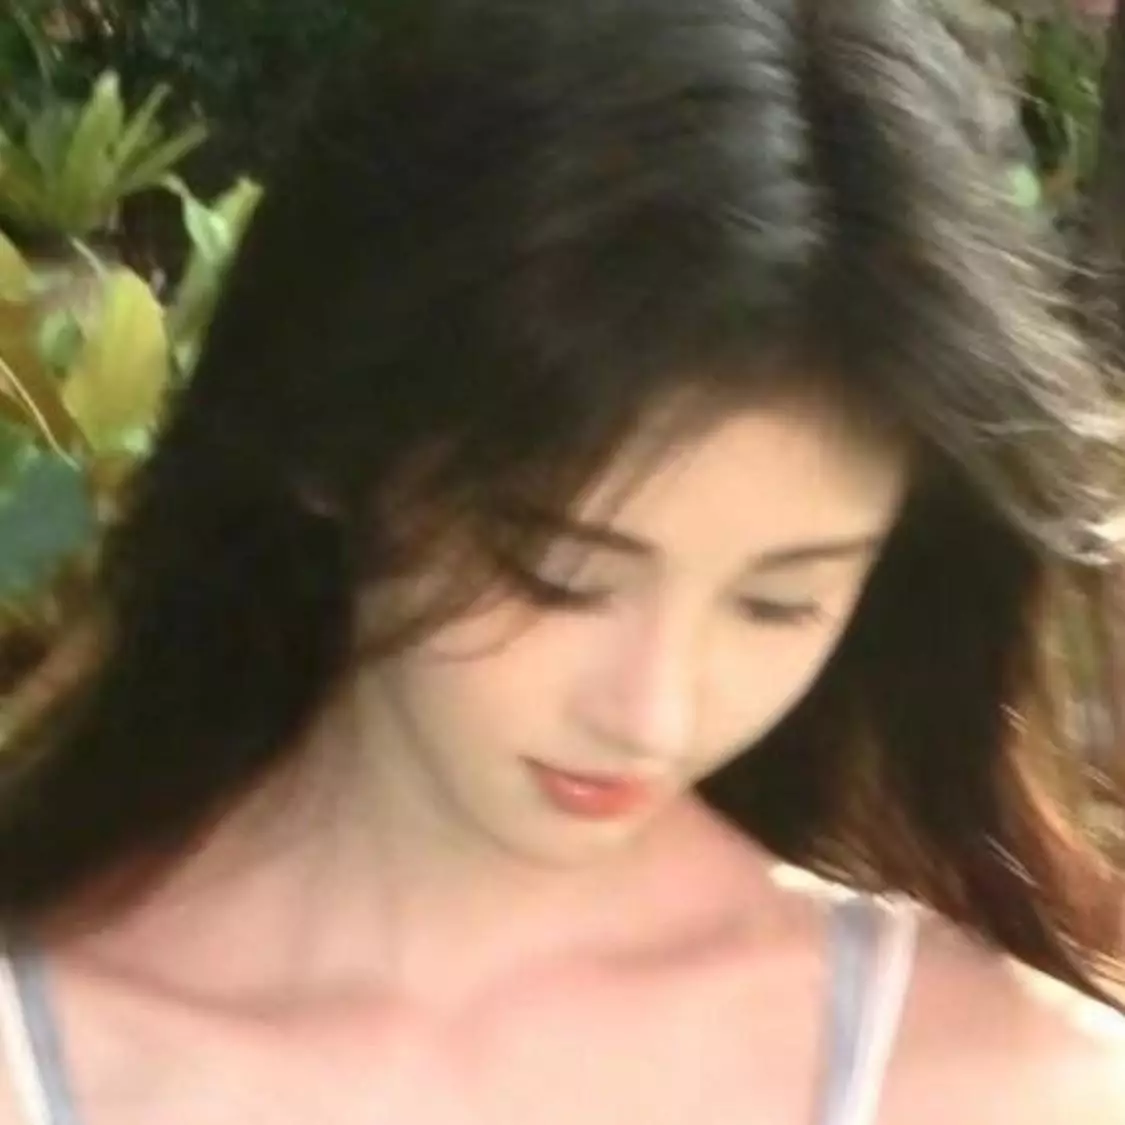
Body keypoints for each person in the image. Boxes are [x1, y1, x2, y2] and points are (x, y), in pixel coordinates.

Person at [1, 0, 1124, 1121]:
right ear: (336, 445)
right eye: (561, 577)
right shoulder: (49, 1037)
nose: (651, 712)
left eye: (779, 603)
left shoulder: (1000, 1079)